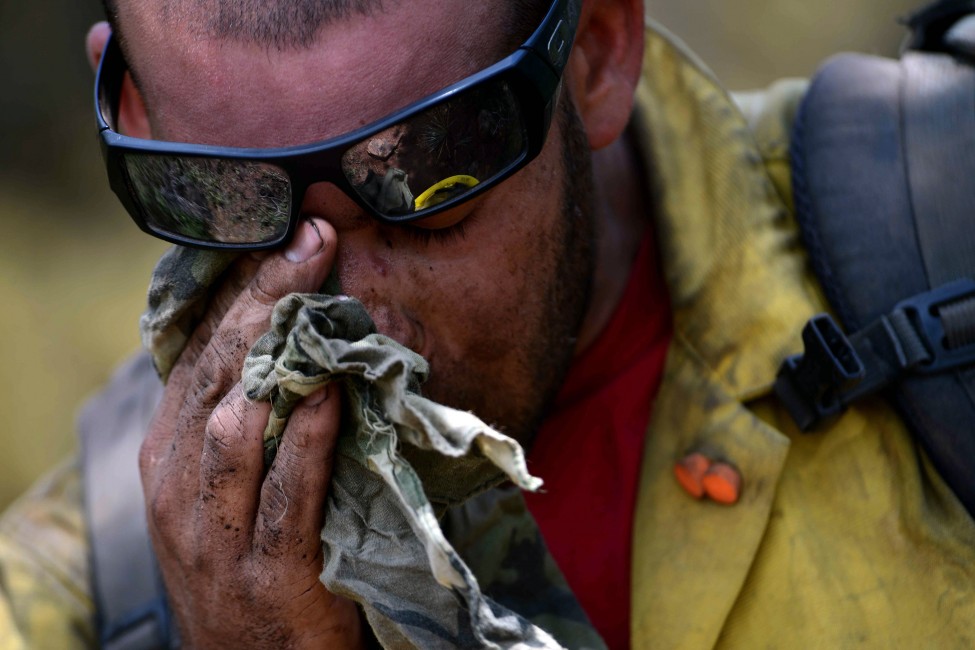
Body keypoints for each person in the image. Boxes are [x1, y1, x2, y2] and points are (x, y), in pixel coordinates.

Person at [1, 0, 973, 647]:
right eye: (232, 197)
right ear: (132, 109)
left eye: (427, 176)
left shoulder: (944, 245)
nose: (350, 313)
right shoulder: (83, 591)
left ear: (593, 47)